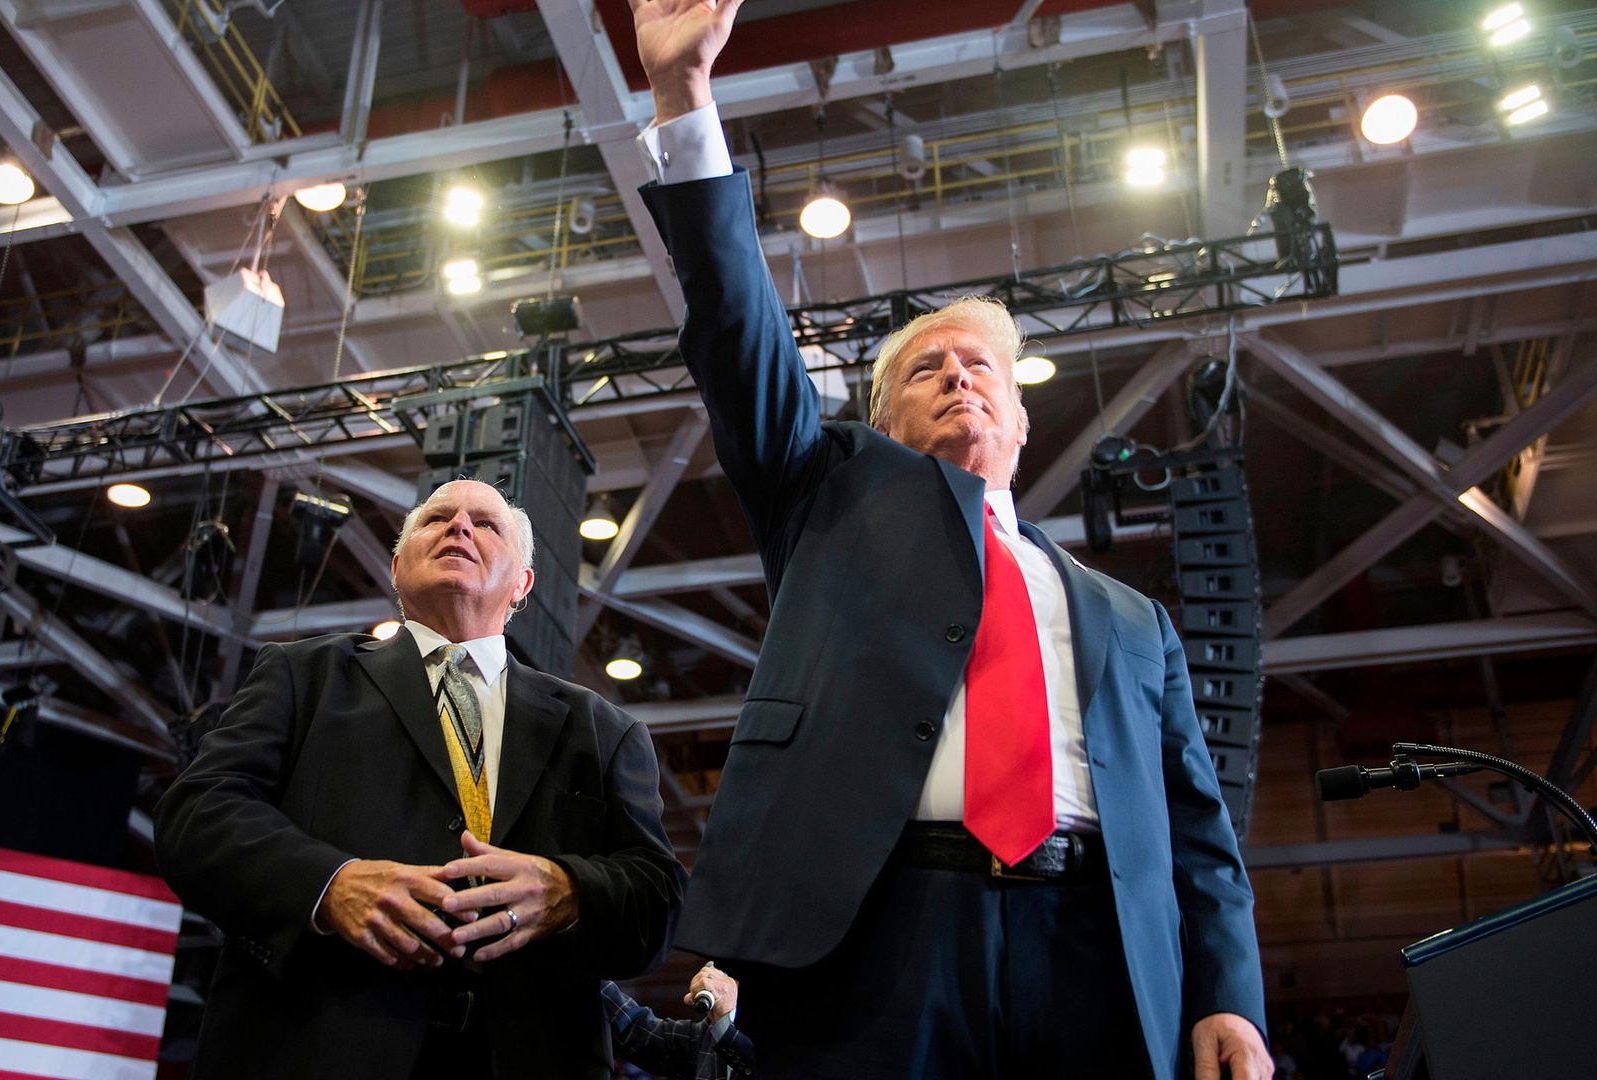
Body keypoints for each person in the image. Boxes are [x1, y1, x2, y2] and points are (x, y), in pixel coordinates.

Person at [622, 3, 1271, 1078]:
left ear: (1020, 419)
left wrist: (1231, 998)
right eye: (928, 370)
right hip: (882, 938)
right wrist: (684, 98)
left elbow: (1201, 834)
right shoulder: (830, 495)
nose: (960, 376)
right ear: (882, 426)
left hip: (1100, 948)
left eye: (982, 368)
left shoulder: (1134, 620)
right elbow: (738, 333)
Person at [154, 479, 687, 1079]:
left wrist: (567, 889)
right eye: (437, 518)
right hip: (313, 1047)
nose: (459, 526)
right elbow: (197, 815)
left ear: (523, 585)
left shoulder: (603, 728)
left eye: (485, 524)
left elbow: (657, 897)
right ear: (396, 567)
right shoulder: (302, 675)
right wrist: (330, 885)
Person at [603, 962, 753, 1079]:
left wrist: (725, 1019)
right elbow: (636, 1029)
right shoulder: (709, 1034)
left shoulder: (771, 1036)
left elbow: (761, 1067)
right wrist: (586, 970)